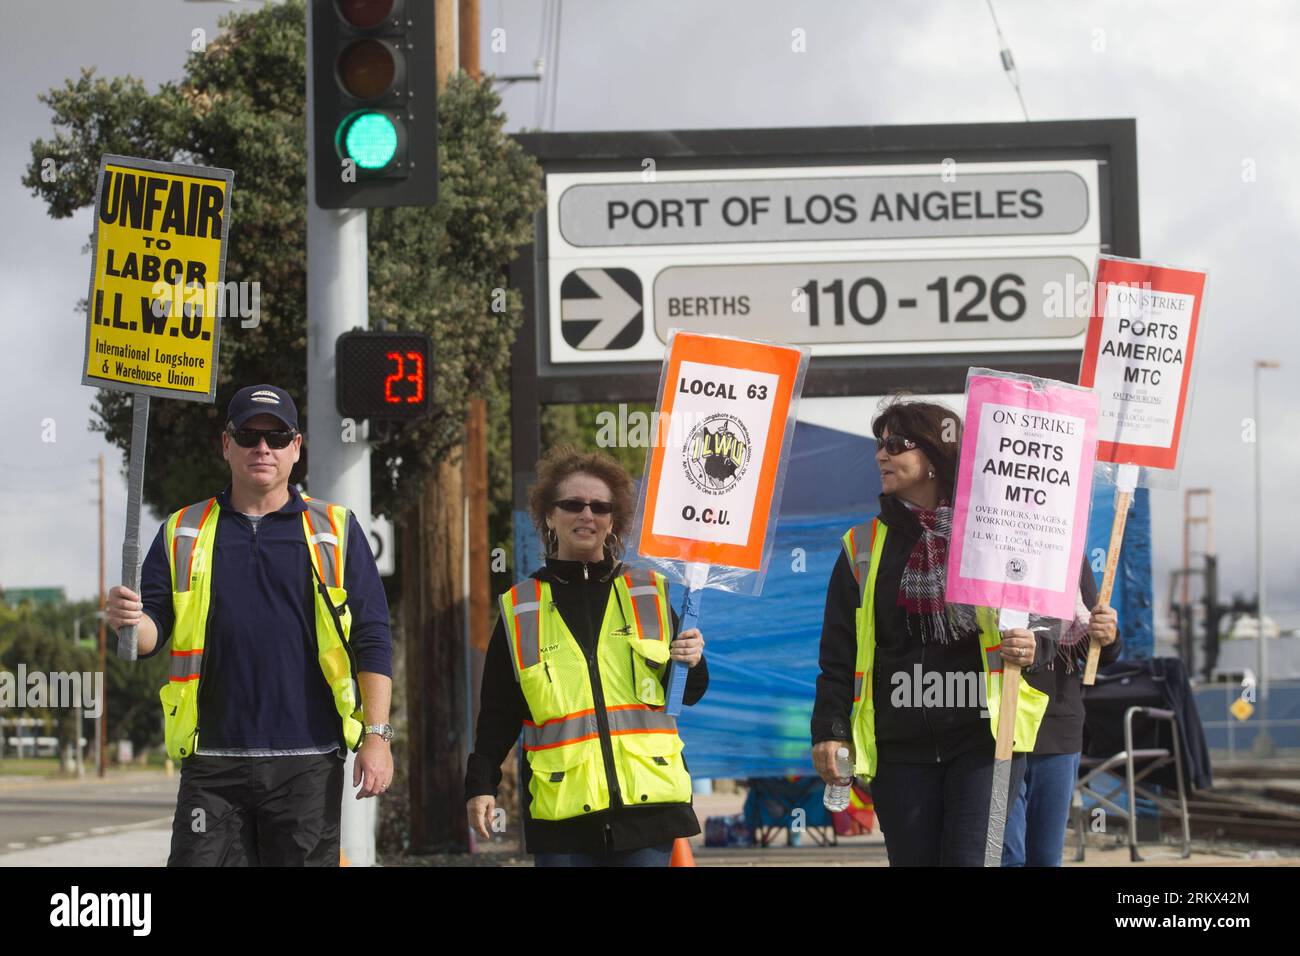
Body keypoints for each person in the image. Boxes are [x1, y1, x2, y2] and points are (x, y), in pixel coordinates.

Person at [105, 384, 394, 866]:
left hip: (309, 762)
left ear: (296, 447)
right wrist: (131, 622)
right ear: (226, 444)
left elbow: (372, 637)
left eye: (277, 437)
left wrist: (378, 736)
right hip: (212, 764)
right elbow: (152, 634)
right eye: (249, 435)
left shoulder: (336, 530)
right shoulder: (182, 530)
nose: (263, 447)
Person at [811, 398, 1047, 867]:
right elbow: (838, 654)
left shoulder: (995, 534)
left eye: (896, 445)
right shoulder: (860, 546)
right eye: (879, 445)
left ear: (937, 457)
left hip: (986, 742)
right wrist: (831, 730)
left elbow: (1048, 619)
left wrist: (1036, 642)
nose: (881, 455)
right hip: (900, 749)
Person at [465, 446, 709, 866]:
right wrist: (480, 785)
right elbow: (497, 712)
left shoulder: (648, 592)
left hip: (649, 809)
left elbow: (686, 693)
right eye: (573, 504)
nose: (587, 515)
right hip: (563, 814)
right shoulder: (520, 608)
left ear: (613, 521)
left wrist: (693, 659)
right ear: (548, 516)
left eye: (600, 507)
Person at [1002, 582, 1121, 866]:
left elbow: (1096, 646)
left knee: (1045, 858)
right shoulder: (983, 545)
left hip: (1057, 728)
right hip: (995, 726)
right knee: (1006, 857)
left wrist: (1109, 635)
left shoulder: (1068, 551)